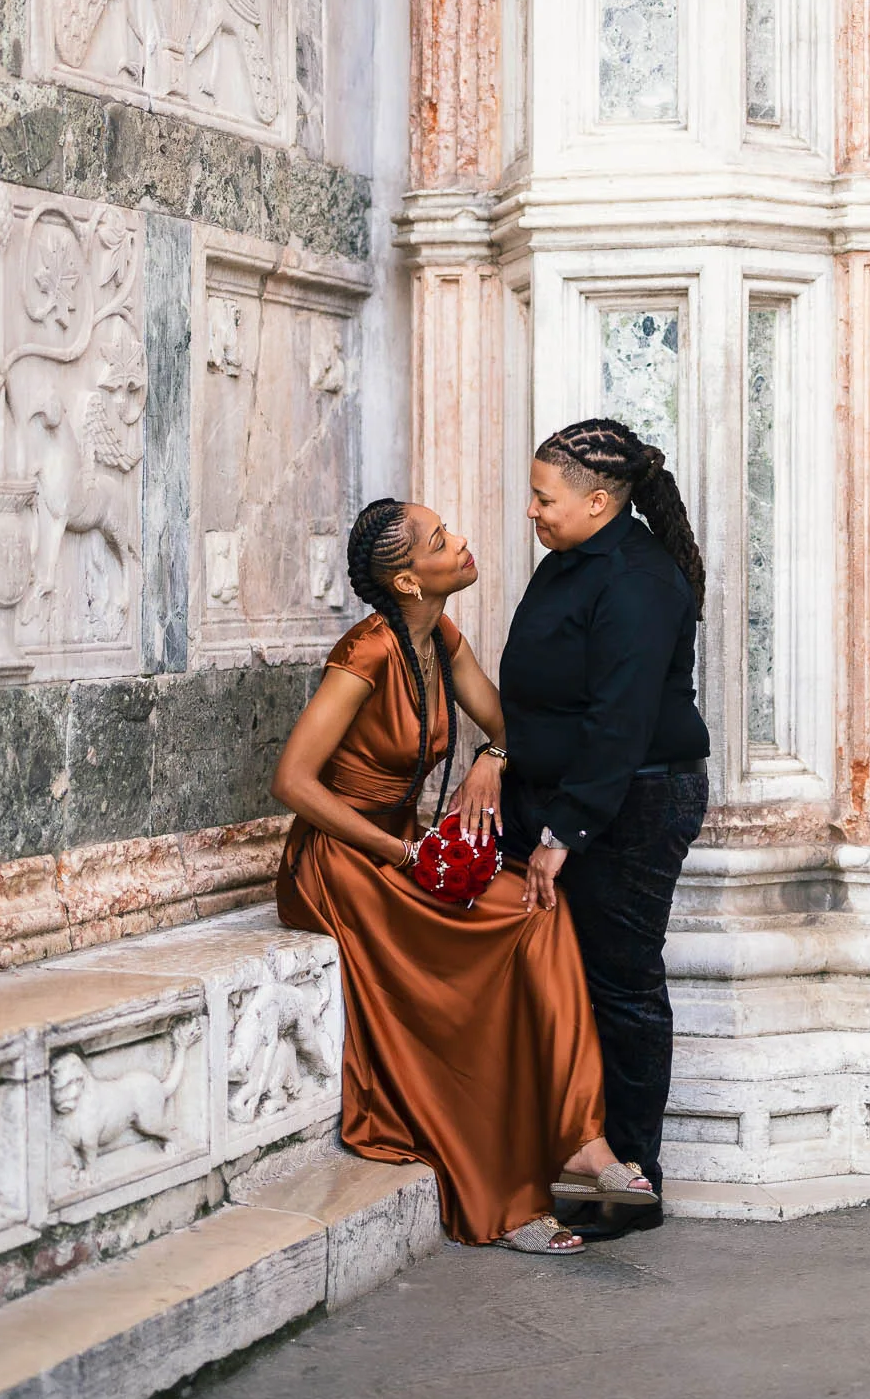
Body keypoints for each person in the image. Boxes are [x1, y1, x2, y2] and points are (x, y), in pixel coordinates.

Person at [270, 495, 657, 1253]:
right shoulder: (368, 653)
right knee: (478, 967)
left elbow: (508, 722)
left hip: (405, 846)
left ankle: (582, 1144)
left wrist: (492, 759)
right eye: (442, 540)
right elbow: (294, 783)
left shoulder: (439, 634)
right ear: (409, 581)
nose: (462, 542)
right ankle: (503, 1197)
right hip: (343, 862)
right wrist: (406, 855)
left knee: (539, 909)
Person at [459, 418, 709, 1242]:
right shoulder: (569, 562)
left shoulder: (639, 579)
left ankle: (627, 1188)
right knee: (542, 968)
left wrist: (562, 834)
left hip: (630, 803)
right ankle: (565, 1152)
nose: (530, 511)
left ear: (600, 502)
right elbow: (540, 696)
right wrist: (498, 751)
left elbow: (620, 722)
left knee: (619, 983)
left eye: (544, 497)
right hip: (567, 796)